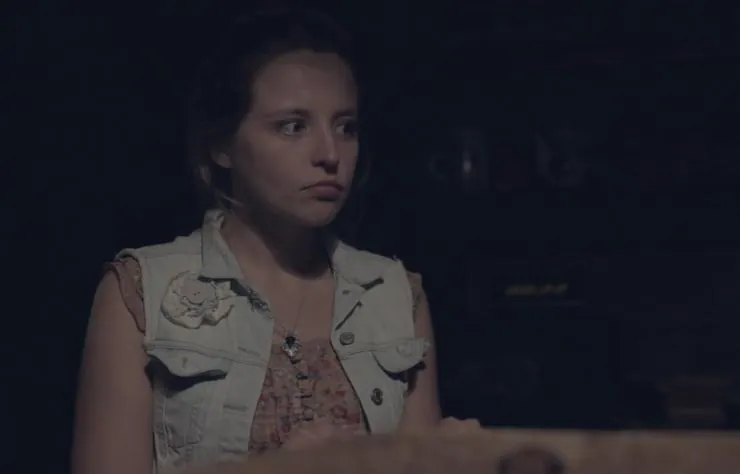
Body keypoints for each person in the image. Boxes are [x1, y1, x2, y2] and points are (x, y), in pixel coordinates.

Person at [72, 7, 478, 474]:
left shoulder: (393, 295)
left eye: (346, 127)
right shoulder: (144, 292)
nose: (330, 154)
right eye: (293, 126)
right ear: (220, 144)